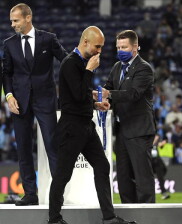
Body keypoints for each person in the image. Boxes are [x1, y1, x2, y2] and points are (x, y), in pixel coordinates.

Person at [48, 26, 136, 224]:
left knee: (102, 166)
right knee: (63, 174)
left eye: (102, 47)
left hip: (86, 126)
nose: (100, 51)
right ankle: (54, 219)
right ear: (85, 42)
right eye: (98, 46)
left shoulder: (80, 62)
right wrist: (88, 71)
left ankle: (109, 217)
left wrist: (95, 104)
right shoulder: (70, 63)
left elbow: (79, 95)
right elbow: (78, 95)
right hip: (71, 128)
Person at [2, 3, 67, 206]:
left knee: (52, 146)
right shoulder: (9, 43)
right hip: (19, 103)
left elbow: (65, 61)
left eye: (16, 20)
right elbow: (6, 73)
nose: (12, 24)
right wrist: (9, 95)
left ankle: (58, 194)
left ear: (28, 18)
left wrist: (84, 69)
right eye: (11, 20)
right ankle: (30, 194)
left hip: (45, 100)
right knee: (23, 148)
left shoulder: (48, 39)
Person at [103, 30, 156, 203]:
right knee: (124, 179)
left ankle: (147, 216)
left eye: (124, 47)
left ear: (135, 47)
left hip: (139, 130)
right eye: (118, 47)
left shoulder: (144, 68)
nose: (120, 50)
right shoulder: (117, 67)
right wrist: (101, 100)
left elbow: (133, 94)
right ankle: (129, 213)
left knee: (142, 177)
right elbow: (108, 87)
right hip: (122, 130)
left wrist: (108, 94)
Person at [151, 134, 171, 200]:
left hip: (157, 161)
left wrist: (162, 143)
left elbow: (161, 145)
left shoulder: (157, 141)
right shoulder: (146, 141)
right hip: (149, 162)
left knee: (161, 177)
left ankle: (164, 192)